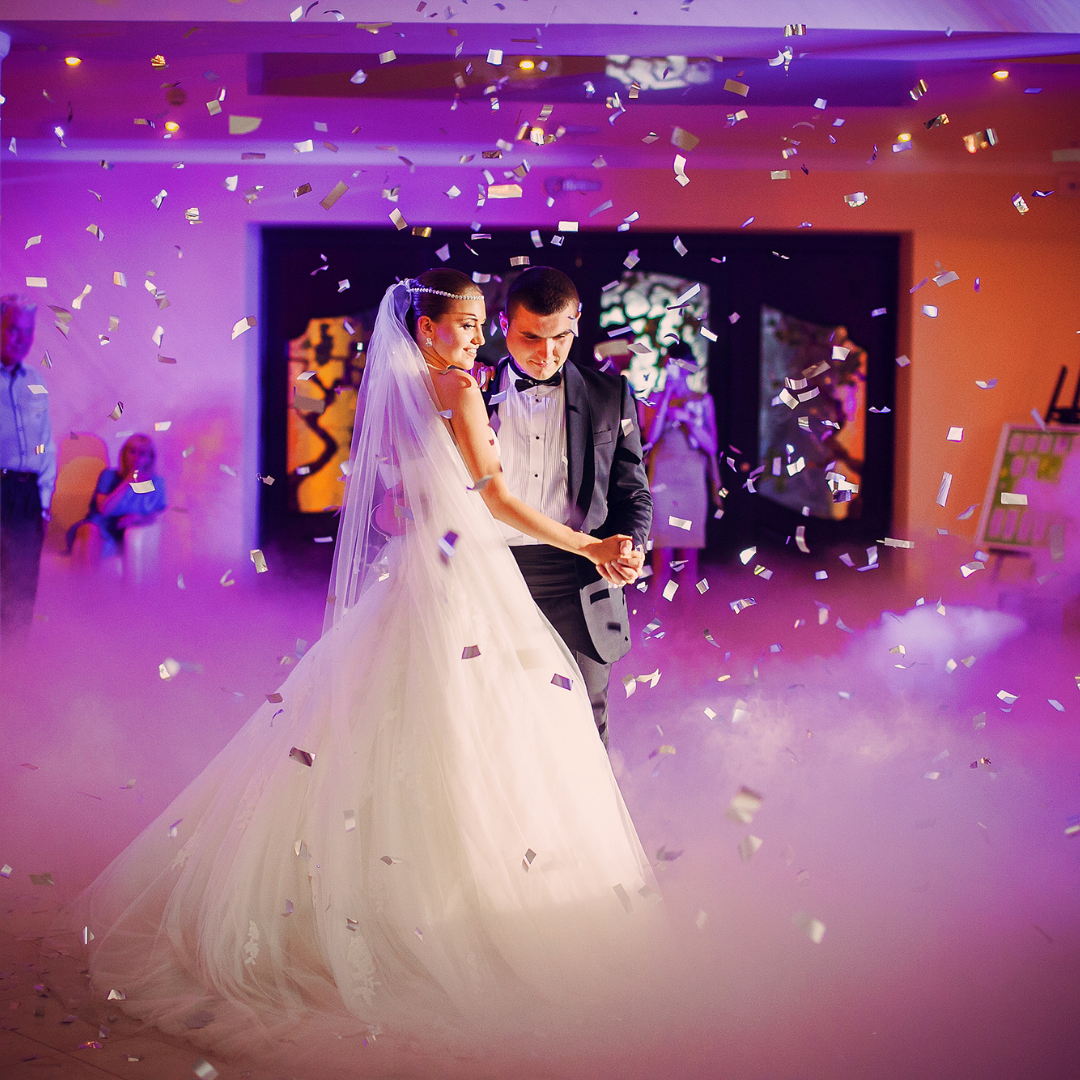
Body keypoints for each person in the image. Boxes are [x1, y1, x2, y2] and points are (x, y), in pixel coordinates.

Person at [54, 269, 658, 1058]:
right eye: (472, 324)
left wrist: (606, 545)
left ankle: (435, 891)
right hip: (471, 578)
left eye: (482, 324)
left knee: (418, 732)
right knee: (484, 738)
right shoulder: (467, 393)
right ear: (432, 329)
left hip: (428, 576)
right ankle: (465, 907)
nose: (479, 338)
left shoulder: (417, 393)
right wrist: (588, 542)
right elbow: (495, 503)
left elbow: (390, 503)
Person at [480, 267, 651, 746]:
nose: (546, 353)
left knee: (583, 731)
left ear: (577, 322)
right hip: (490, 576)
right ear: (503, 324)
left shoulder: (610, 395)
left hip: (582, 579)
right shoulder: (470, 395)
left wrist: (630, 545)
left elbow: (632, 491)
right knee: (495, 727)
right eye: (531, 336)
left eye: (560, 337)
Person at [640, 342, 721, 588]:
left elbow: (712, 445)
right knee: (661, 557)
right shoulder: (653, 398)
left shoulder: (702, 400)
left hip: (692, 481)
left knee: (689, 559)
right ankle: (660, 622)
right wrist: (667, 397)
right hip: (662, 481)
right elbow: (650, 437)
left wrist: (689, 420)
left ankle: (689, 624)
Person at [1, 294, 56, 646]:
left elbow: (45, 443)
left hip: (26, 494)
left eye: (28, 332)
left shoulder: (35, 379)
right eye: (13, 330)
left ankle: (16, 669)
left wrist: (45, 501)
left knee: (22, 586)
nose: (22, 340)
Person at [68, 433, 167, 569]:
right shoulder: (109, 476)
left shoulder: (157, 483)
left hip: (124, 533)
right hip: (97, 527)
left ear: (150, 458)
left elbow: (157, 515)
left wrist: (138, 518)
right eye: (132, 452)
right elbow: (104, 509)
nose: (136, 458)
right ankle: (87, 587)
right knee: (90, 530)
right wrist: (127, 482)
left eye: (142, 454)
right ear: (124, 454)